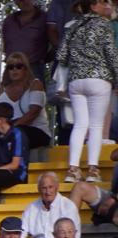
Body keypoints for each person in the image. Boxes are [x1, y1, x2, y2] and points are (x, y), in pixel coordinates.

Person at [56, 0, 118, 183]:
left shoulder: (73, 25)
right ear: (93, 6)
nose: (107, 5)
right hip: (99, 79)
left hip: (76, 81)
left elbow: (61, 56)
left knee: (80, 125)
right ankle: (92, 170)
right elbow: (111, 54)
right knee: (96, 126)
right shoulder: (103, 25)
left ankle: (73, 169)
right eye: (102, 2)